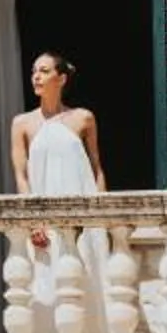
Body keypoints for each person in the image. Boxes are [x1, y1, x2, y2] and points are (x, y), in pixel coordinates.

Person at [8, 51, 106, 250]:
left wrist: (101, 215)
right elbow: (21, 177)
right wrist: (33, 221)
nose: (36, 76)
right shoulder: (21, 123)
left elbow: (96, 169)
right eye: (34, 71)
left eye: (44, 71)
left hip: (84, 218)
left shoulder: (83, 118)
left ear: (61, 79)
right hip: (43, 223)